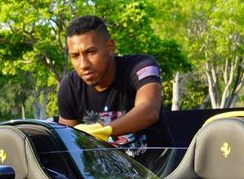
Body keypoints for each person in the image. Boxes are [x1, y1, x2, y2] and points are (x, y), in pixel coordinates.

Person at [55, 14, 174, 165]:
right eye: (75, 56)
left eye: (90, 52)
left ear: (110, 47)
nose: (83, 64)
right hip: (104, 176)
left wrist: (104, 130)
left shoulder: (141, 66)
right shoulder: (69, 86)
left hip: (158, 173)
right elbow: (68, 145)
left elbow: (149, 110)